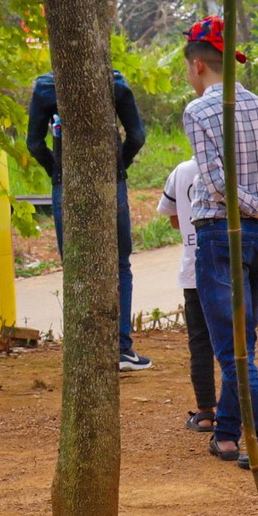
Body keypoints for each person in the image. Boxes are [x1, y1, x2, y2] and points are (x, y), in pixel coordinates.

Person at [179, 16, 258, 472]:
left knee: (232, 351)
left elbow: (216, 183)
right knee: (242, 344)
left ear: (196, 66)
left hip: (221, 236)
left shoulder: (198, 112)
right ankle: (227, 436)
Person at [26, 67, 152, 371]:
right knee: (120, 263)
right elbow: (136, 136)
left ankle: (83, 349)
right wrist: (120, 163)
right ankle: (121, 348)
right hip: (111, 180)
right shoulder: (115, 81)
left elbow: (34, 144)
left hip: (64, 184)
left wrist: (55, 170)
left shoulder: (46, 87)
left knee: (74, 265)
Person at [156, 157, 214, 432]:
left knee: (200, 342)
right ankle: (234, 409)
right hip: (231, 267)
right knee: (236, 342)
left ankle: (205, 413)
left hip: (193, 268)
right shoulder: (233, 164)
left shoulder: (181, 171)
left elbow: (174, 219)